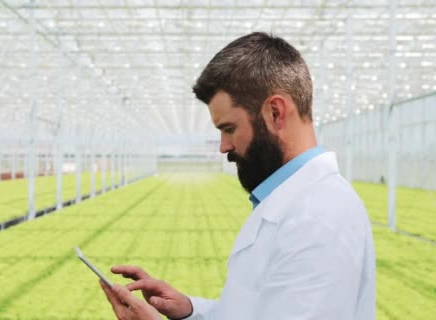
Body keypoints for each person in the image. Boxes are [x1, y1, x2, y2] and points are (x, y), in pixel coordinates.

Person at [100, 32, 376, 320]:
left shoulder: (318, 218)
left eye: (229, 128)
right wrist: (190, 310)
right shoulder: (293, 204)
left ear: (275, 112)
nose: (223, 146)